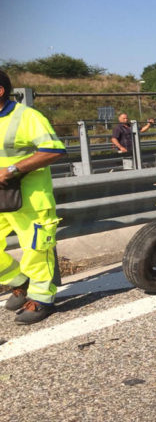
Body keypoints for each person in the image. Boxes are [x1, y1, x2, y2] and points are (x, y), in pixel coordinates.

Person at [0, 69, 67, 324]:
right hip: (1, 197)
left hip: (31, 198)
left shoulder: (27, 117)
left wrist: (13, 169)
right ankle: (20, 282)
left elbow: (54, 150)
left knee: (37, 250)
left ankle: (41, 299)